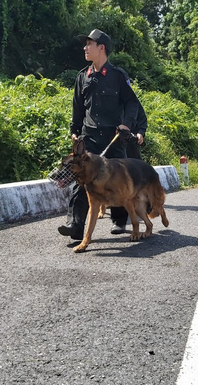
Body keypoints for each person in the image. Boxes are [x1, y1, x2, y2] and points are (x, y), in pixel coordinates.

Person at [58, 29, 141, 241]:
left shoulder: (118, 76)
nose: (85, 48)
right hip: (90, 139)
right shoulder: (82, 77)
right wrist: (75, 132)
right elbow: (77, 109)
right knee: (83, 180)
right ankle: (75, 224)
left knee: (117, 179)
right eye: (85, 44)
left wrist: (126, 125)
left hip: (113, 136)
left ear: (101, 47)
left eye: (89, 44)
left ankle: (120, 220)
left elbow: (132, 103)